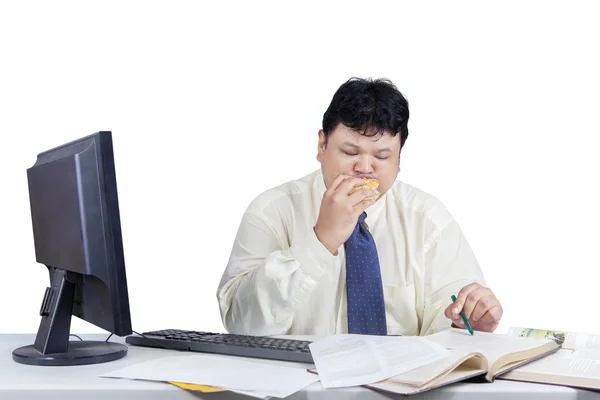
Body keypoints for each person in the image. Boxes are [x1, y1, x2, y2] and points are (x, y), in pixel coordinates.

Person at [217, 77, 503, 337]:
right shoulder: (271, 211)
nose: (364, 168)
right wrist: (320, 241)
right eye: (350, 152)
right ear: (322, 146)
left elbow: (452, 323)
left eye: (381, 156)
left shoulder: (428, 219)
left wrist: (468, 322)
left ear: (399, 160)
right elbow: (241, 323)